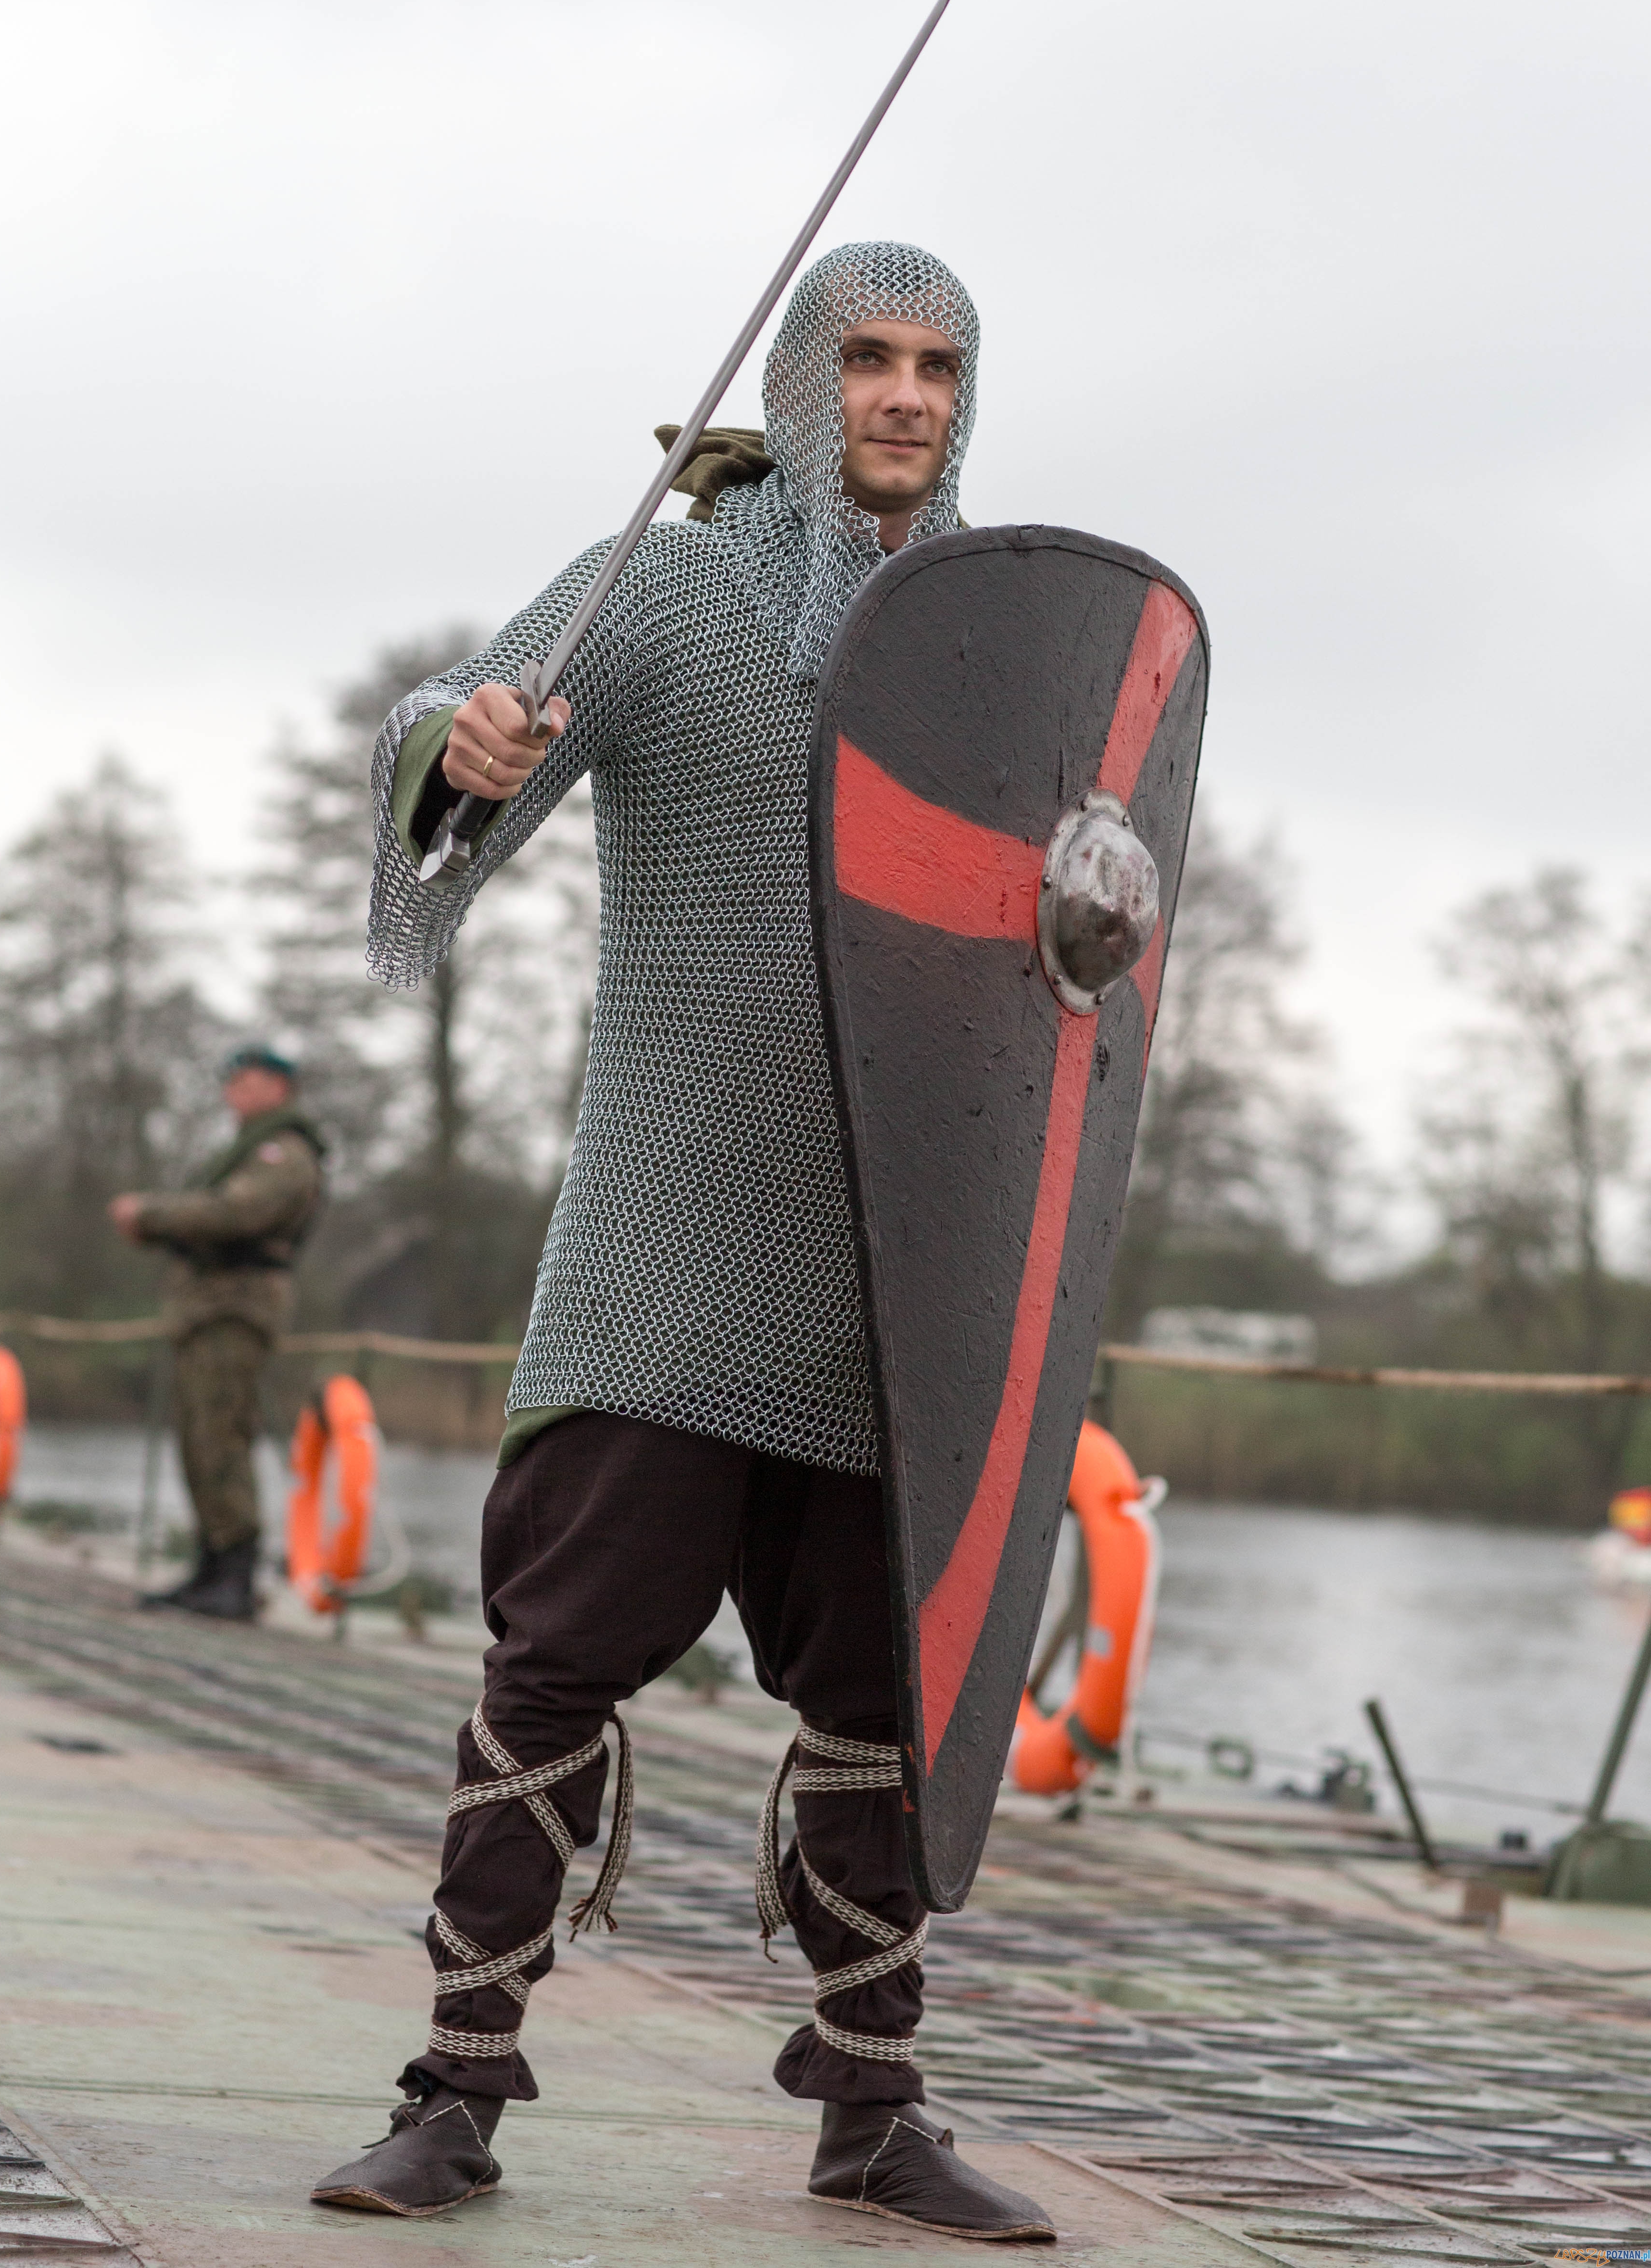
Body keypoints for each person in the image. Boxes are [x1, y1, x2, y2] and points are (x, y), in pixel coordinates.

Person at [311, 244, 1056, 2241]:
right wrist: (449, 745)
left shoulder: (996, 643)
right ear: (808, 382)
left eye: (937, 363)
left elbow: (1067, 950)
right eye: (868, 359)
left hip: (890, 1270)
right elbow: (462, 731)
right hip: (668, 1242)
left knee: (878, 1704)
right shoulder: (680, 584)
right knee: (551, 1664)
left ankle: (872, 2109)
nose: (903, 394)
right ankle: (454, 2093)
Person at [109, 1045, 324, 1622]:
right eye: (232, 1082)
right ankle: (211, 1566)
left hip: (237, 1308)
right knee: (199, 1438)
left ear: (280, 1087)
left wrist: (151, 1215)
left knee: (221, 1435)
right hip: (208, 1308)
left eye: (249, 1081)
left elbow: (237, 1213)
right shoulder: (249, 1149)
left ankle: (234, 1575)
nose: (236, 1091)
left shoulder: (283, 1153)